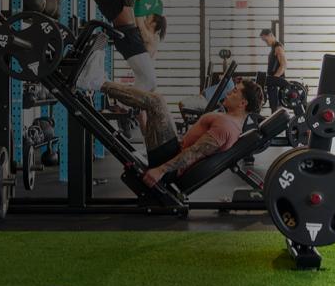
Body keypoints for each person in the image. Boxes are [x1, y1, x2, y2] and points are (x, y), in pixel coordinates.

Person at [73, 48, 263, 186]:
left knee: (156, 101)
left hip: (169, 165)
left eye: (235, 92)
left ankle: (96, 81)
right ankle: (98, 80)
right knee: (155, 101)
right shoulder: (230, 122)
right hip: (173, 150)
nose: (229, 92)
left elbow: (194, 152)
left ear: (243, 103)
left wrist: (160, 170)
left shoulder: (226, 127)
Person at [94, 0, 159, 92]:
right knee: (149, 81)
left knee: (146, 81)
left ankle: (126, 103)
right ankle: (122, 102)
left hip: (131, 34)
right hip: (126, 35)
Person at [260, 29, 286, 113]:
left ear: (271, 35)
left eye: (266, 40)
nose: (266, 42)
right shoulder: (274, 48)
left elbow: (283, 65)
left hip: (276, 83)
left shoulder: (278, 48)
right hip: (273, 83)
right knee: (273, 107)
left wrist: (274, 79)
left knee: (276, 108)